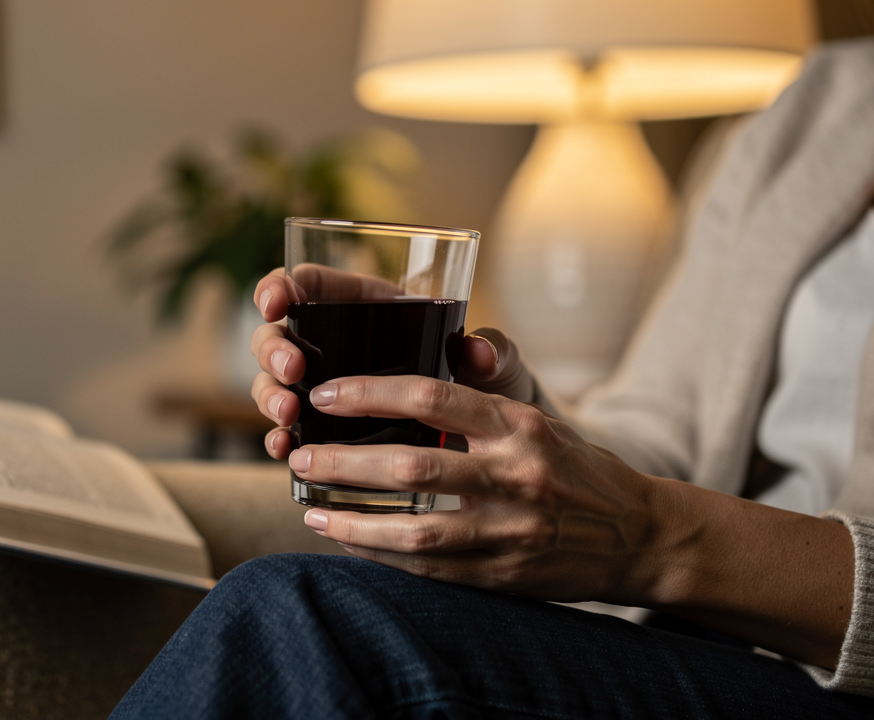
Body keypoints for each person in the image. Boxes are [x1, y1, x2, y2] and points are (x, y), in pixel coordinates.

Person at [110, 37, 874, 719]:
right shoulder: (818, 108)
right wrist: (511, 421)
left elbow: (652, 513)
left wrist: (652, 541)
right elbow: (665, 437)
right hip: (707, 651)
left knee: (298, 612)